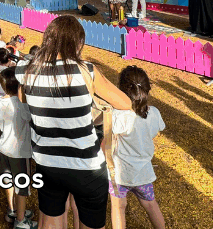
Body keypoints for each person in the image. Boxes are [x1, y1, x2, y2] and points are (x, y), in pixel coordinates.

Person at [14, 15, 131, 229]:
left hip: (47, 164)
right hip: (86, 166)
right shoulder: (86, 70)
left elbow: (23, 98)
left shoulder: (27, 71)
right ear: (77, 43)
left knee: (50, 222)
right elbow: (125, 103)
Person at [110, 66, 166, 229]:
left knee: (118, 208)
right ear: (147, 88)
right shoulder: (154, 113)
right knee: (151, 205)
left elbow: (110, 136)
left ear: (121, 90)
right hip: (143, 173)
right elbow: (155, 131)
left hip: (120, 174)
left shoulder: (119, 116)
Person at [0, 68, 36, 229]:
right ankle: (21, 220)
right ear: (19, 86)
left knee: (8, 180)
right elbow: (32, 121)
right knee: (22, 187)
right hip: (20, 152)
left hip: (4, 148)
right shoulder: (22, 106)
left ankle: (12, 210)